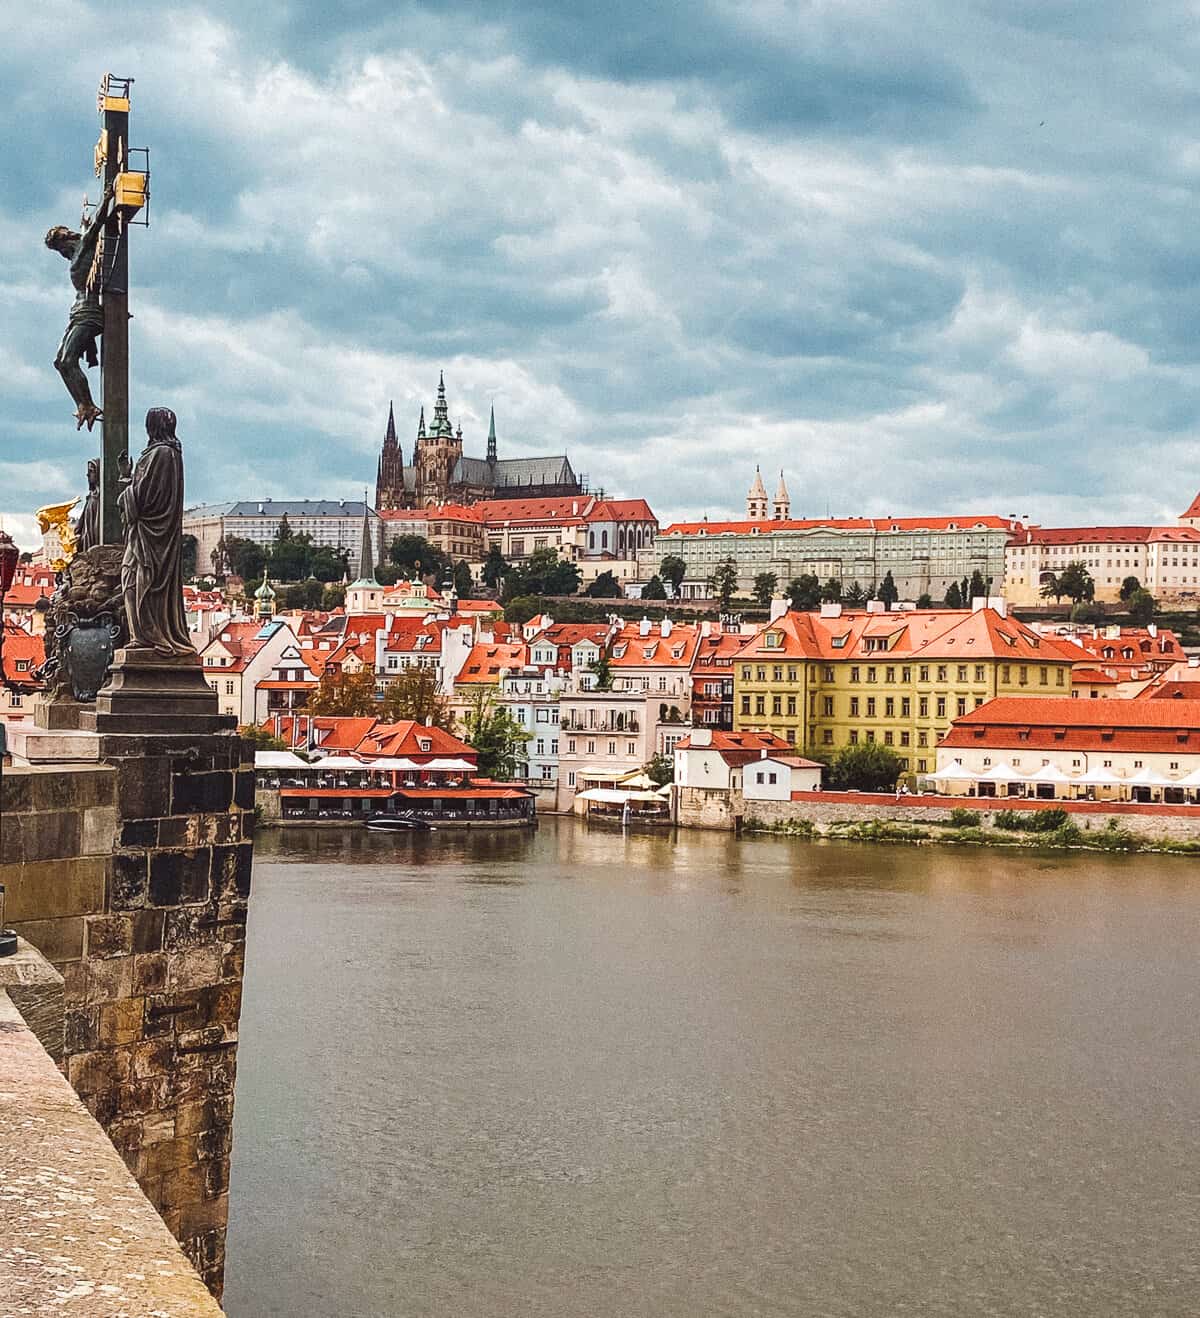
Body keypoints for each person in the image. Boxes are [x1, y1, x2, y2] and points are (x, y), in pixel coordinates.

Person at [118, 407, 194, 656]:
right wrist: (128, 479)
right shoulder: (162, 454)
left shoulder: (163, 453)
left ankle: (148, 636)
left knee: (138, 582)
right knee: (130, 580)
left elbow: (146, 496)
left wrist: (126, 492)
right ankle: (139, 636)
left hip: (151, 534)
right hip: (144, 532)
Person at [44, 186, 115, 431]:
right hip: (78, 312)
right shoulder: (76, 252)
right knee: (59, 361)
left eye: (65, 237)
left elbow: (96, 224)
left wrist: (106, 198)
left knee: (68, 359)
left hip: (89, 313)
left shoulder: (83, 244)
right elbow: (88, 226)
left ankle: (89, 404)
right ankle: (83, 404)